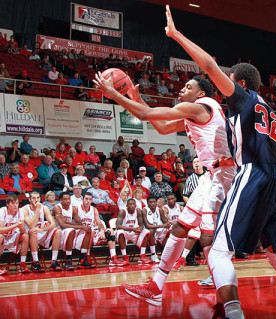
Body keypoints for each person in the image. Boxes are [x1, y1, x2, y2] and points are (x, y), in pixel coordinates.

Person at [156, 7, 276, 317]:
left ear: (239, 82)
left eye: (229, 82)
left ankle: (233, 313)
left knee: (218, 252)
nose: (225, 86)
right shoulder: (271, 110)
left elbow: (209, 64)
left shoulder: (243, 98)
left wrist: (176, 35)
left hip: (253, 174)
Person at [94, 59, 237, 312]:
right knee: (181, 228)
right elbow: (160, 127)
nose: (182, 90)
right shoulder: (194, 112)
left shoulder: (203, 106)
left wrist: (114, 94)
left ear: (201, 93)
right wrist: (136, 98)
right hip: (210, 176)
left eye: (188, 87)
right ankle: (156, 287)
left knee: (207, 237)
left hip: (224, 174)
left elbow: (147, 116)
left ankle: (227, 301)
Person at [78, 192, 126, 267]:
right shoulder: (77, 209)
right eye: (86, 199)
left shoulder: (94, 210)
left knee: (110, 231)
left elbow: (99, 223)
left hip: (91, 232)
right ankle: (86, 257)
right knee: (90, 231)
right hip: (80, 233)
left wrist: (101, 230)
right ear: (82, 199)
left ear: (92, 200)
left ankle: (113, 258)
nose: (88, 201)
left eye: (90, 199)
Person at [52, 192, 95, 270]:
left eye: (69, 199)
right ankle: (68, 260)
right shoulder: (57, 208)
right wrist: (77, 226)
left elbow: (79, 223)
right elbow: (62, 225)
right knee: (71, 230)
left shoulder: (73, 208)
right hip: (58, 233)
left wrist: (66, 221)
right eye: (65, 199)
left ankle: (82, 258)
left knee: (88, 230)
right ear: (61, 200)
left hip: (69, 232)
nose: (68, 201)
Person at [22, 191, 62, 272]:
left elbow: (53, 224)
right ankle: (35, 262)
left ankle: (54, 261)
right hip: (29, 236)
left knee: (58, 231)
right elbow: (31, 225)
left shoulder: (45, 208)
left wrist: (42, 229)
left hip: (41, 232)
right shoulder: (24, 209)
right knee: (33, 231)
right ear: (29, 200)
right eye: (33, 198)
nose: (36, 200)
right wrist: (37, 211)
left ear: (40, 199)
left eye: (37, 198)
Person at [115, 198, 152, 265]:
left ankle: (142, 256)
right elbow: (118, 226)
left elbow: (141, 225)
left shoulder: (138, 211)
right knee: (120, 232)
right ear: (127, 205)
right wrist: (132, 229)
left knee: (146, 231)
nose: (132, 206)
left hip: (133, 232)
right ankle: (124, 256)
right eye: (130, 204)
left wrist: (139, 229)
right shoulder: (123, 212)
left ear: (135, 205)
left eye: (133, 204)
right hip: (124, 232)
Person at [0, 195, 31, 274]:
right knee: (0, 236)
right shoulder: (2, 211)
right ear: (7, 204)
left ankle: (23, 264)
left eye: (17, 203)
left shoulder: (20, 211)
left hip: (12, 236)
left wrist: (21, 227)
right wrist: (15, 225)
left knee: (25, 236)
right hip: (3, 237)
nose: (15, 205)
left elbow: (23, 231)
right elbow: (0, 230)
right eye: (13, 203)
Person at [142, 195, 172, 263]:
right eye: (150, 202)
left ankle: (167, 254)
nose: (152, 203)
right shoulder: (144, 210)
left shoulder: (160, 209)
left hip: (159, 230)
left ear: (156, 203)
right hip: (149, 232)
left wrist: (167, 223)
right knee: (152, 231)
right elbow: (148, 226)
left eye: (154, 202)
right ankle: (153, 254)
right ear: (147, 203)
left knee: (171, 231)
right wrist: (163, 225)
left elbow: (165, 221)